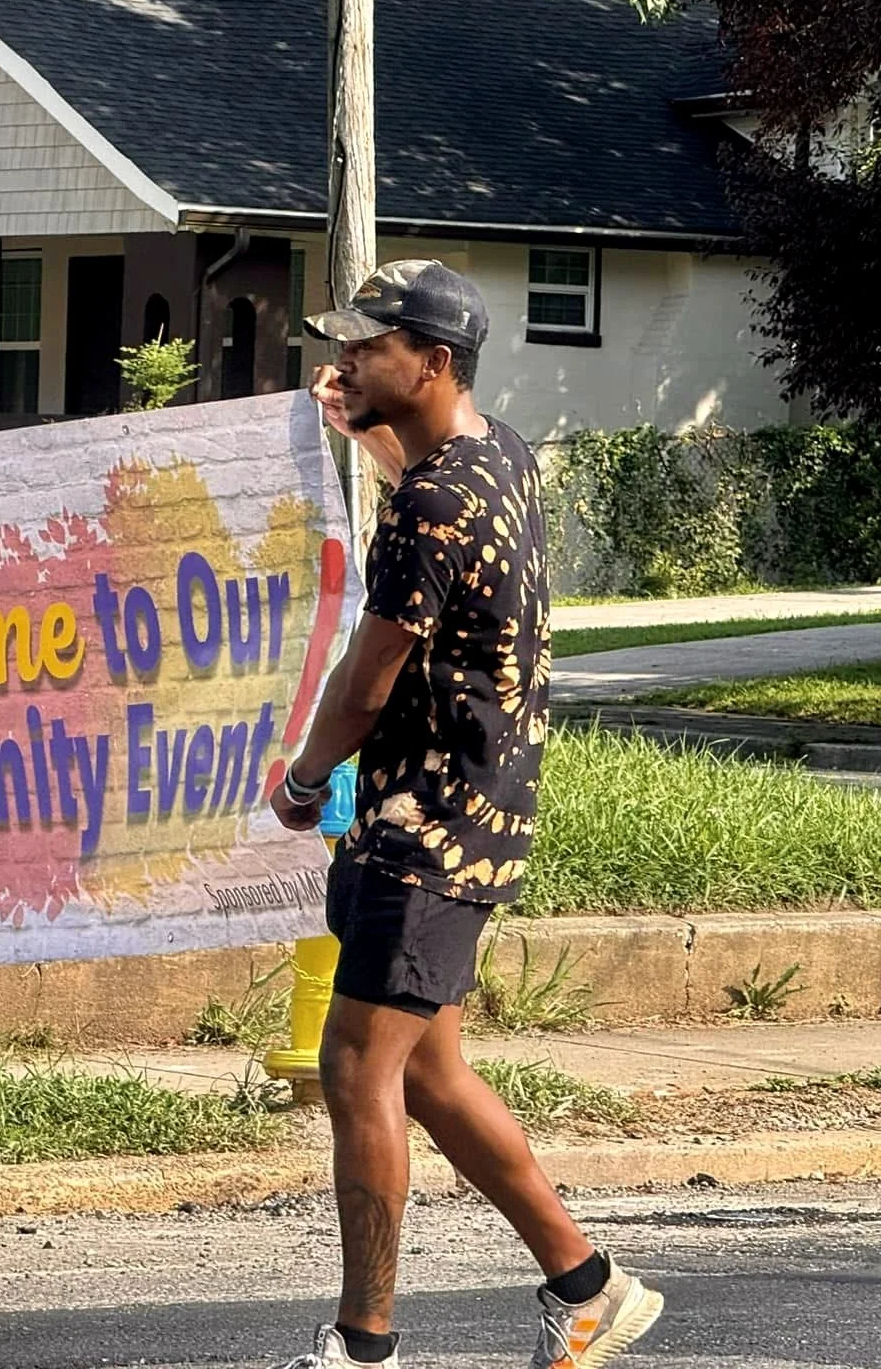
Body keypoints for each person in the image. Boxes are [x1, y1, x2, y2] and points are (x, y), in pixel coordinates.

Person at [267, 262, 663, 1369]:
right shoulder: (492, 453)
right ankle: (588, 1290)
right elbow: (424, 506)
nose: (344, 361)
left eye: (367, 345)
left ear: (430, 362)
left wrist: (302, 780)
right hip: (470, 813)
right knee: (429, 1073)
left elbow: (367, 675)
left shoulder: (432, 501)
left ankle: (363, 1344)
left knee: (356, 1068)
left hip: (424, 824)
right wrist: (364, 435)